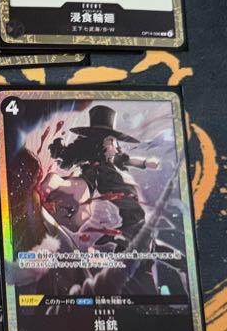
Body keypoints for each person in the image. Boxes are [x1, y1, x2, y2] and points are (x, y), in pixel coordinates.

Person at [48, 105, 160, 250]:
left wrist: (144, 162)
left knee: (131, 202)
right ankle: (127, 236)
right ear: (99, 137)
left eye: (113, 141)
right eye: (110, 140)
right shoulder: (87, 147)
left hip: (100, 179)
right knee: (130, 203)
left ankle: (128, 237)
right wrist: (59, 150)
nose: (113, 145)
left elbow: (124, 159)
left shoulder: (111, 154)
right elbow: (69, 157)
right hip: (96, 177)